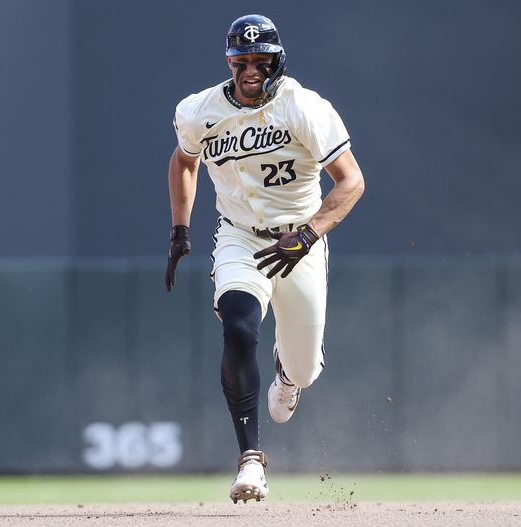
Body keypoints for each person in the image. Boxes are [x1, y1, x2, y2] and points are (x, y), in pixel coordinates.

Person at [164, 14, 364, 503]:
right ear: (229, 62)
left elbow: (351, 181)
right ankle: (250, 461)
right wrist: (180, 228)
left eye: (261, 60)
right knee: (238, 328)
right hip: (239, 235)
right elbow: (184, 159)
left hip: (299, 240)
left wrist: (310, 233)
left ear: (278, 60)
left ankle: (289, 372)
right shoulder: (200, 110)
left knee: (304, 368)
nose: (251, 70)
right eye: (241, 61)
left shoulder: (305, 108)